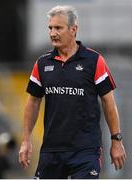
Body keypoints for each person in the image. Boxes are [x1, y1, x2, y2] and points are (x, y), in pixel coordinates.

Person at [19, 5, 126, 179]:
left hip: (86, 151)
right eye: (50, 28)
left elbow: (108, 102)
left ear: (73, 29)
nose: (53, 33)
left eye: (58, 28)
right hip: (51, 150)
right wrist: (26, 141)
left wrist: (116, 140)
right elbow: (33, 102)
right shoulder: (42, 63)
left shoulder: (94, 61)